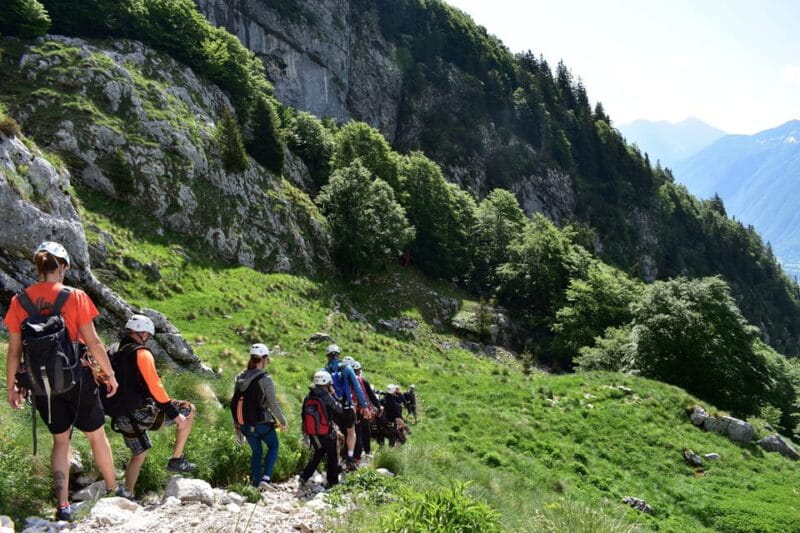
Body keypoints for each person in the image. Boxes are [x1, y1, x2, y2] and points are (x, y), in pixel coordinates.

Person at [3, 242, 126, 521]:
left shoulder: (19, 301)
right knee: (96, 435)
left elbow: (14, 352)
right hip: (78, 378)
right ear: (63, 266)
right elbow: (93, 342)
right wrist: (110, 374)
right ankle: (113, 490)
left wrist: (11, 386)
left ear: (38, 267)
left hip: (42, 385)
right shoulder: (76, 296)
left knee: (60, 442)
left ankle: (63, 506)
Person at [106, 314, 197, 496]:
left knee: (139, 453)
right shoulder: (142, 353)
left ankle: (128, 494)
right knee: (189, 410)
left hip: (120, 416)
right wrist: (174, 414)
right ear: (144, 333)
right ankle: (176, 459)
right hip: (140, 413)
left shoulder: (114, 350)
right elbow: (155, 386)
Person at [231, 343, 287, 490]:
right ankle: (266, 478)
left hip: (244, 424)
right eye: (267, 358)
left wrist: (237, 425)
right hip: (261, 422)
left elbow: (234, 402)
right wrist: (282, 421)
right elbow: (273, 404)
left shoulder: (240, 377)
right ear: (264, 358)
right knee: (273, 445)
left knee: (257, 452)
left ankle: (256, 484)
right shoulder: (265, 379)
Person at [324, 345, 368, 471]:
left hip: (333, 407)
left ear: (328, 356)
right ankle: (349, 457)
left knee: (335, 433)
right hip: (348, 406)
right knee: (351, 431)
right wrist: (364, 406)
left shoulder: (325, 370)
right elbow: (357, 388)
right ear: (338, 355)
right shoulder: (347, 368)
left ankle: (335, 459)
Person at [299, 370, 343, 487]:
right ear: (327, 383)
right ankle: (332, 482)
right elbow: (339, 409)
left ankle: (304, 476)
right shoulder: (326, 396)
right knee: (332, 456)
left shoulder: (309, 395)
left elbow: (303, 413)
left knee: (319, 452)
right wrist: (334, 394)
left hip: (312, 433)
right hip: (326, 432)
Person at [351, 361, 379, 461]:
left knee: (354, 432)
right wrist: (378, 406)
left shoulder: (345, 380)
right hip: (362, 411)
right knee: (365, 431)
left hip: (350, 411)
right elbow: (371, 395)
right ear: (359, 371)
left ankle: (353, 454)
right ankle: (366, 452)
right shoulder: (362, 380)